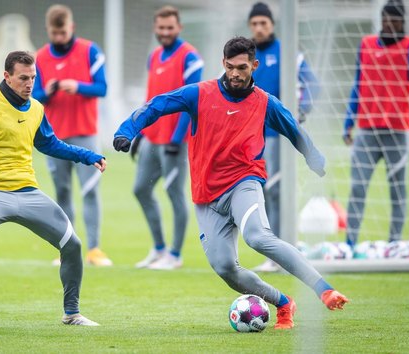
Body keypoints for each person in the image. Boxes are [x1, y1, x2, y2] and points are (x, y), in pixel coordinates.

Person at [113, 37, 349, 329]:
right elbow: (157, 105)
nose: (235, 74)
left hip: (244, 183)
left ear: (254, 65)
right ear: (223, 63)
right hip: (207, 196)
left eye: (242, 68)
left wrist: (313, 157)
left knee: (258, 237)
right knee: (225, 268)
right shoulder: (199, 94)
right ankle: (283, 303)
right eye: (230, 67)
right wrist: (127, 130)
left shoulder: (264, 103)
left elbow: (293, 128)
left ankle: (323, 288)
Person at [0, 51, 105, 326]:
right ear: (6, 76)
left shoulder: (36, 108)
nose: (29, 84)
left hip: (28, 193)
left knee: (73, 244)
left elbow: (51, 144)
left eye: (33, 78)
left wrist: (87, 155)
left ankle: (72, 313)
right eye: (23, 78)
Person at [343, 0, 409, 248]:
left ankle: (394, 244)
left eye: (394, 19)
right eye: (386, 18)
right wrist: (348, 123)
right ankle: (350, 244)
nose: (389, 23)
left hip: (397, 132)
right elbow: (358, 84)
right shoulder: (365, 45)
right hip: (366, 130)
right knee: (357, 187)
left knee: (397, 190)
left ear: (402, 22)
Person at [32, 4, 111, 266]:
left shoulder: (90, 51)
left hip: (85, 133)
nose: (58, 38)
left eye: (63, 32)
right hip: (54, 139)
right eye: (54, 33)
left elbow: (102, 87)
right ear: (48, 30)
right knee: (62, 192)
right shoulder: (40, 58)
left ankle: (95, 249)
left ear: (72, 28)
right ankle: (67, 249)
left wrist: (78, 86)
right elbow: (34, 96)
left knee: (90, 191)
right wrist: (49, 91)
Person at [247, 2, 321, 272]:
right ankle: (277, 249)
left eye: (263, 23)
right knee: (257, 191)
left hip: (277, 137)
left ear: (273, 25)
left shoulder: (287, 52)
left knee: (275, 191)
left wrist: (301, 113)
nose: (258, 28)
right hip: (250, 137)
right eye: (254, 24)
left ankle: (279, 252)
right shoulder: (246, 57)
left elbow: (313, 85)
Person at [132, 5, 204, 270]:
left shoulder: (190, 58)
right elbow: (150, 98)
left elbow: (191, 102)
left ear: (179, 27)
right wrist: (138, 130)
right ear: (155, 28)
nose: (165, 32)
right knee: (140, 189)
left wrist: (176, 138)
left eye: (169, 27)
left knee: (174, 193)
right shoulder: (154, 57)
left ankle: (175, 254)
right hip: (152, 137)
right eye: (160, 28)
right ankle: (159, 249)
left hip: (176, 140)